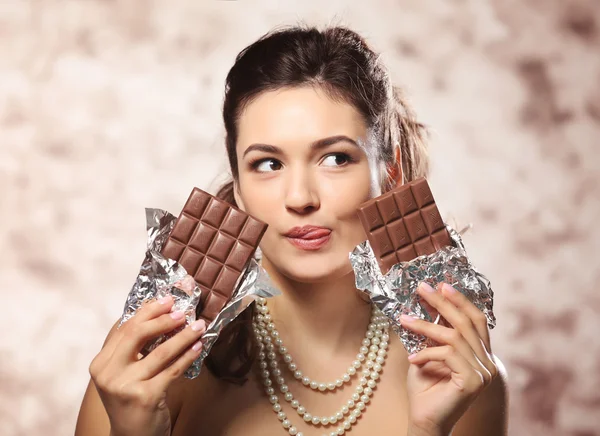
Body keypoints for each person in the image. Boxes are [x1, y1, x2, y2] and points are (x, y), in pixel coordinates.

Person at [75, 25, 508, 436]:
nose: (300, 197)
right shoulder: (145, 370)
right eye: (268, 164)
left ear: (389, 175)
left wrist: (430, 430)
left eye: (336, 158)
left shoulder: (460, 378)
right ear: (239, 189)